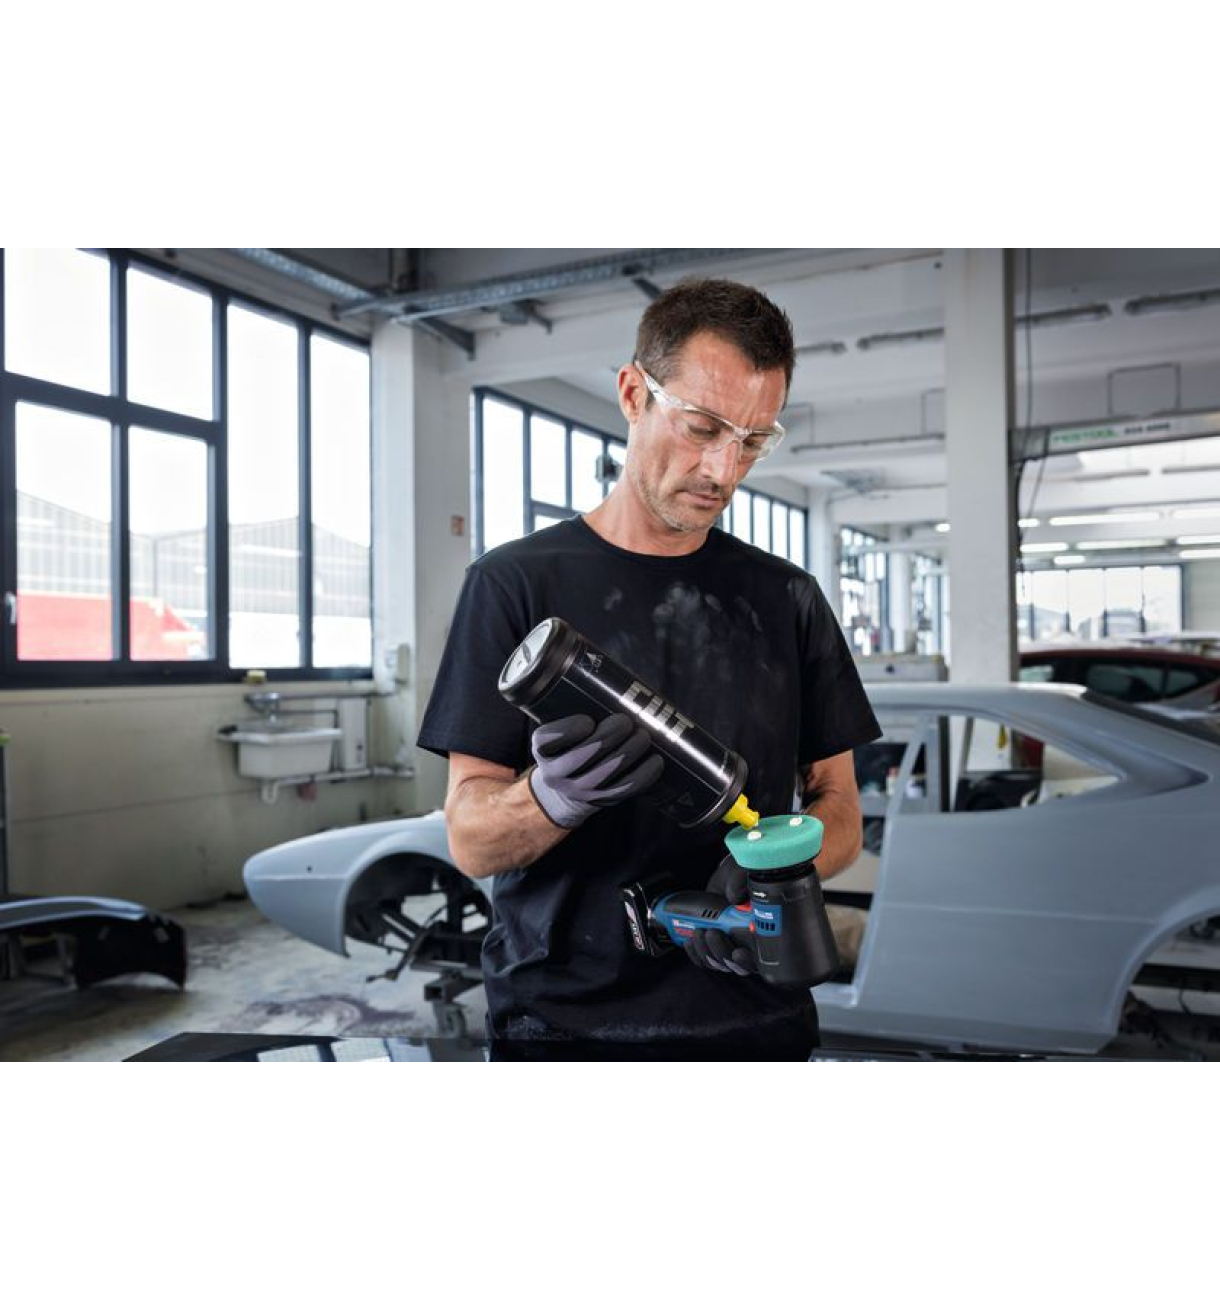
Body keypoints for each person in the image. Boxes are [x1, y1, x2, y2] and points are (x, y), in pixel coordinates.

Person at [417, 278, 881, 1058]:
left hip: (754, 1022)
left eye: (753, 441)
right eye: (702, 427)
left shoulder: (788, 598)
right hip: (561, 1024)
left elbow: (841, 813)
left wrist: (781, 864)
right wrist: (550, 799)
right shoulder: (513, 585)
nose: (724, 470)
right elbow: (471, 841)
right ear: (634, 393)